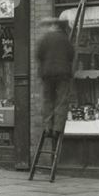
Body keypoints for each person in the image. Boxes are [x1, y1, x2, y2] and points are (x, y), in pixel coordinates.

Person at [35, 13, 75, 148]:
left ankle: (47, 128)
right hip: (63, 73)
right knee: (61, 101)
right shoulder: (65, 39)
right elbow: (71, 55)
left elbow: (38, 55)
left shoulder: (45, 38)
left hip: (47, 74)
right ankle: (57, 128)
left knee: (48, 100)